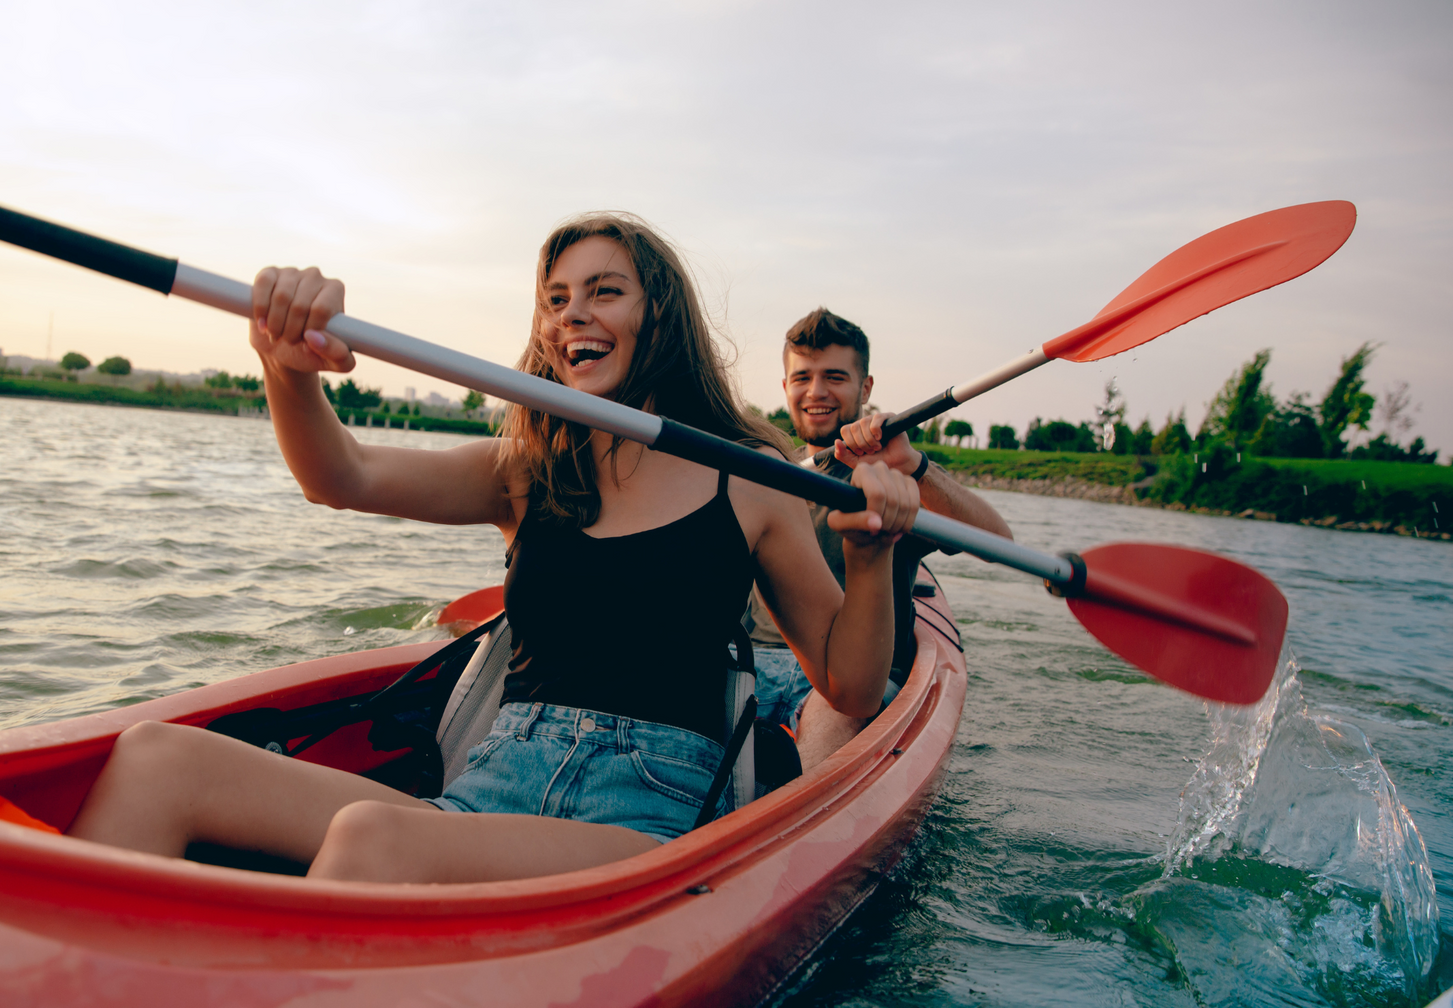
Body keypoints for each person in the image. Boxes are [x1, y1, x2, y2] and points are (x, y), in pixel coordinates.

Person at [66, 215, 920, 884]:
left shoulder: (749, 472)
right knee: (157, 758)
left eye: (604, 291)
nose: (572, 314)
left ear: (657, 313)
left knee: (375, 839)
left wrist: (872, 556)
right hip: (488, 784)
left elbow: (847, 684)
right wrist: (284, 367)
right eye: (555, 298)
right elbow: (344, 473)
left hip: (642, 822)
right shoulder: (528, 467)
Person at [749, 308, 1013, 768]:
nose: (816, 392)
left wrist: (916, 467)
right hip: (753, 661)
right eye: (802, 377)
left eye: (834, 377)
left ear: (865, 388)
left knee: (837, 719)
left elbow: (999, 543)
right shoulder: (768, 471)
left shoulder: (894, 477)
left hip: (852, 682)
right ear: (785, 386)